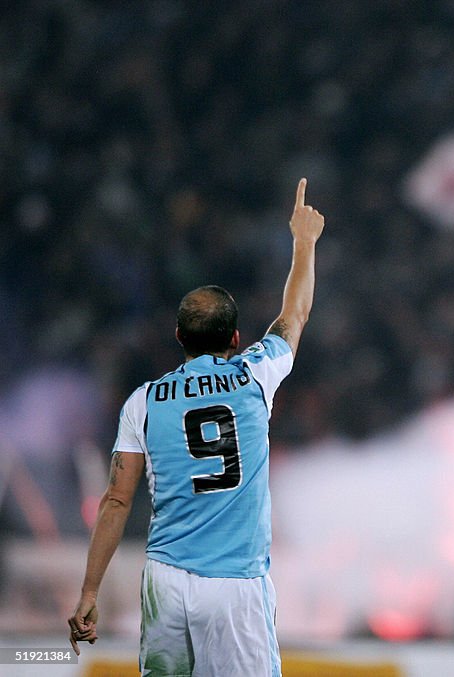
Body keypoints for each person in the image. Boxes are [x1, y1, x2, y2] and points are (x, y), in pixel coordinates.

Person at [67, 178, 325, 676]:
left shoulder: (144, 400)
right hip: (236, 584)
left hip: (166, 580)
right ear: (234, 337)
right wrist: (304, 241)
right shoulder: (254, 374)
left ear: (179, 336)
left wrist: (90, 592)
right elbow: (295, 313)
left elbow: (116, 501)